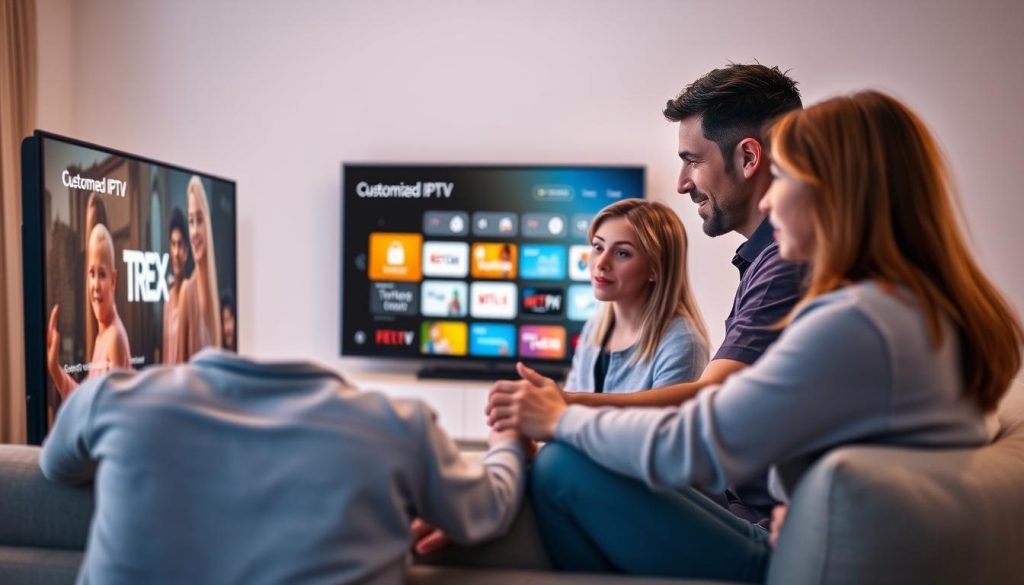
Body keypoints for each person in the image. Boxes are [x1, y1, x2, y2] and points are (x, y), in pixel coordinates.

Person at [487, 90, 1024, 581]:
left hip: (771, 555)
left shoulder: (857, 320)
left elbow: (694, 443)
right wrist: (810, 501)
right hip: (786, 533)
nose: (768, 202)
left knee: (562, 466)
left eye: (784, 179)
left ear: (840, 194)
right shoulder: (930, 310)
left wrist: (560, 417)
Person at [491, 63, 807, 527]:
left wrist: (560, 409)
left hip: (755, 523)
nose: (681, 183)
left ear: (748, 158)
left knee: (556, 470)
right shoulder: (762, 261)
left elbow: (705, 404)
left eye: (692, 160)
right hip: (739, 506)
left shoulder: (783, 263)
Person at [40, 349, 529, 584]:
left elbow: (55, 466)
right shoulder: (397, 427)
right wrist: (505, 438)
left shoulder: (114, 398)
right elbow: (489, 509)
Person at [565, 199, 709, 394]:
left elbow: (657, 425)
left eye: (622, 253)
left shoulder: (682, 345)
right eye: (598, 247)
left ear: (655, 268)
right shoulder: (595, 326)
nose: (601, 263)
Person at [46, 223, 132, 400]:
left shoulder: (114, 337)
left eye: (102, 274)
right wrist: (54, 367)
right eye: (91, 274)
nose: (95, 286)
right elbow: (87, 399)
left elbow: (114, 415)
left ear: (113, 280)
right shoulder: (103, 336)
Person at [177, 175, 222, 361]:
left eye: (199, 220)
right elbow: (180, 371)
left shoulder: (214, 292)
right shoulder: (187, 292)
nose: (194, 231)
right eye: (190, 221)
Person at [163, 207, 190, 363]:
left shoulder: (192, 293)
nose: (176, 252)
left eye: (180, 245)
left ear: (186, 250)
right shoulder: (169, 298)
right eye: (173, 244)